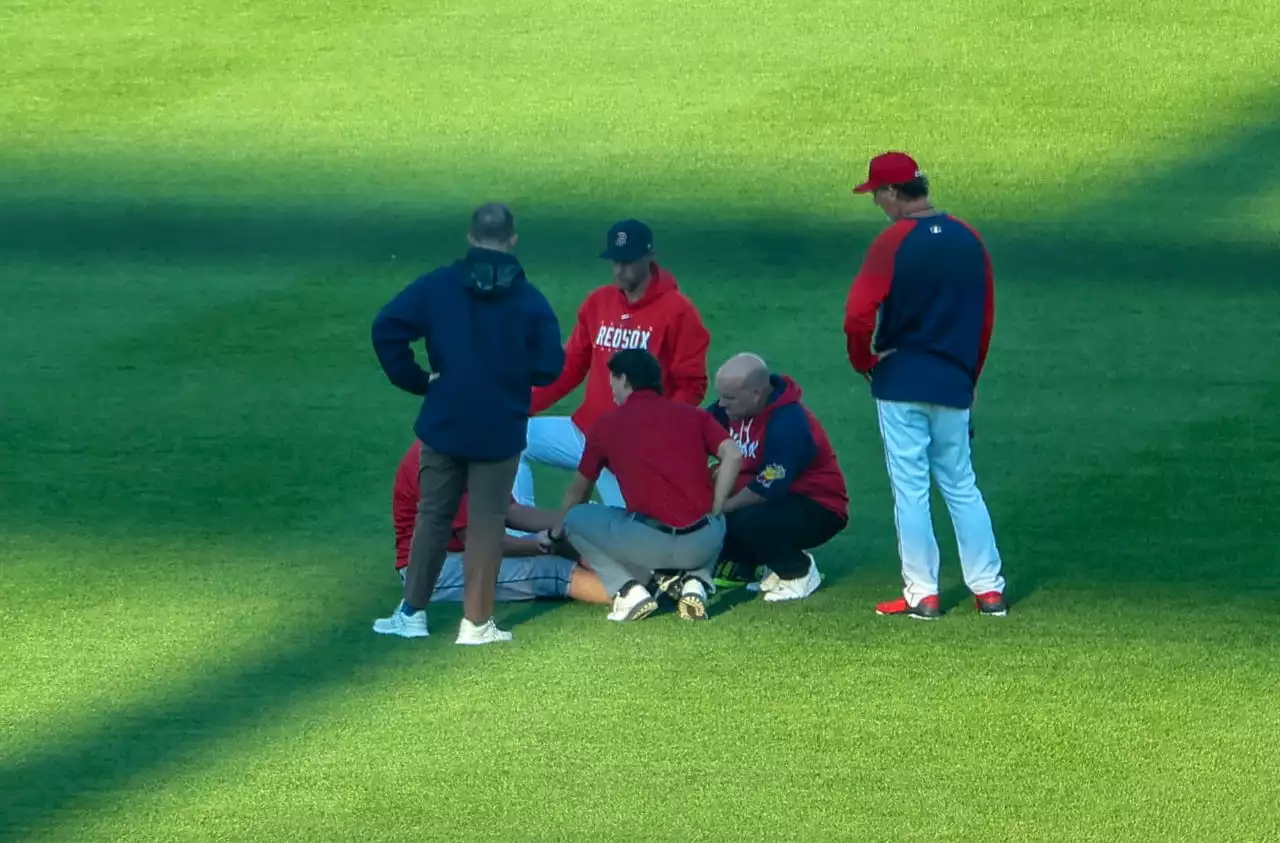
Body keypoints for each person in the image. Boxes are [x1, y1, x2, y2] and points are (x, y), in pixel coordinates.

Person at [370, 202, 565, 645]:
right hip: (501, 422)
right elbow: (550, 366)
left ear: (471, 237)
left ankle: (412, 614)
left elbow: (387, 328)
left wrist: (419, 380)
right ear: (512, 240)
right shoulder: (530, 298)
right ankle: (476, 624)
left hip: (446, 417)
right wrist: (513, 374)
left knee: (433, 516)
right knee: (487, 521)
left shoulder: (438, 285)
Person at [843, 152, 1007, 620]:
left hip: (900, 381)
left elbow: (857, 314)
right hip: (954, 378)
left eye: (877, 193)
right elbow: (985, 317)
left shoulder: (892, 241)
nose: (876, 202)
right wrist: (970, 376)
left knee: (911, 487)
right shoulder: (968, 237)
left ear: (895, 194)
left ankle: (923, 594)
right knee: (961, 483)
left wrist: (864, 362)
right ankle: (989, 591)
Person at [515, 219, 711, 509]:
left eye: (628, 262)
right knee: (506, 434)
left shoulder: (678, 312)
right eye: (615, 261)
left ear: (649, 257)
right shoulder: (598, 302)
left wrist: (654, 433)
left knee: (631, 530)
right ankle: (520, 535)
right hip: (584, 432)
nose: (619, 270)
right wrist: (521, 404)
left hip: (632, 446)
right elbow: (569, 367)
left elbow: (691, 386)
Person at [542, 349, 743, 622]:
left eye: (612, 379)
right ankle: (696, 581)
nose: (611, 387)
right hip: (702, 542)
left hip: (647, 544)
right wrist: (716, 506)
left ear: (624, 379)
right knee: (714, 519)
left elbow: (578, 493)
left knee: (576, 518)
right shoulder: (695, 416)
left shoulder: (607, 424)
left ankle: (628, 592)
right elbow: (733, 454)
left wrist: (555, 534)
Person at [377, 442, 609, 623]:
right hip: (434, 570)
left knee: (570, 541)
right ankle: (622, 595)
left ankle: (630, 582)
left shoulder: (466, 447)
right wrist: (547, 543)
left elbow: (510, 510)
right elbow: (480, 544)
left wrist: (570, 523)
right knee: (552, 569)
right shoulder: (437, 465)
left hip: (469, 549)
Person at [705, 353, 849, 602]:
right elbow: (694, 436)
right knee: (709, 522)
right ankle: (756, 566)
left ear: (756, 394)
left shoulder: (788, 422)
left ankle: (798, 572)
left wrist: (721, 508)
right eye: (721, 396)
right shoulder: (728, 410)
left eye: (730, 398)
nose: (722, 404)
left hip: (817, 505)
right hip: (775, 501)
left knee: (747, 523)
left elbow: (768, 486)